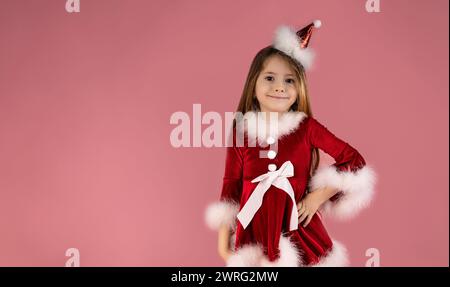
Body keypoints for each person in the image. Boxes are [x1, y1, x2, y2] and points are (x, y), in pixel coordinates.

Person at [205, 20, 377, 267]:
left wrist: (317, 197)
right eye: (270, 78)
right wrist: (223, 246)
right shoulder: (241, 132)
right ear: (253, 85)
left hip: (300, 234)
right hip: (254, 237)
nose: (279, 87)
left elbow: (354, 161)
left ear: (299, 89)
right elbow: (230, 188)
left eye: (289, 81)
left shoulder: (306, 127)